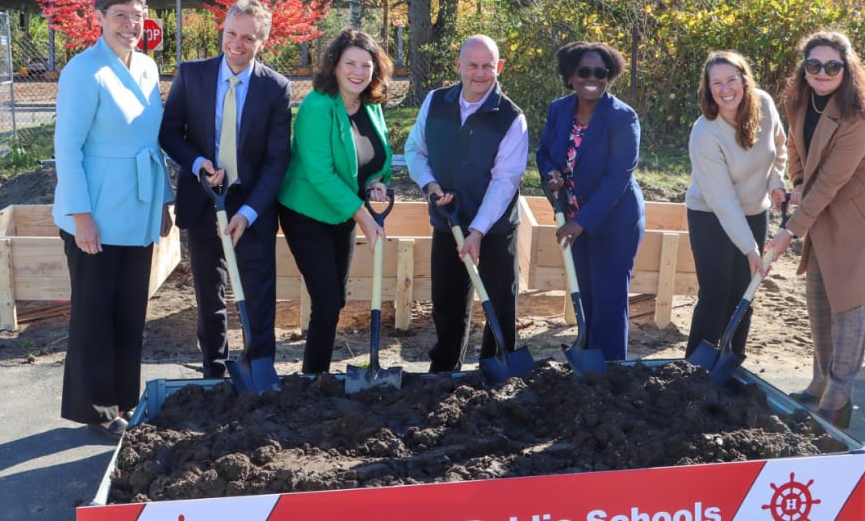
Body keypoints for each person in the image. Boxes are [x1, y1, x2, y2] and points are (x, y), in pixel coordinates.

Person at [53, 0, 174, 440]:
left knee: (129, 311)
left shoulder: (146, 67)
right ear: (99, 18)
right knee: (95, 315)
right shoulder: (84, 71)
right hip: (97, 215)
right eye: (120, 15)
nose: (130, 24)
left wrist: (163, 200)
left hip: (139, 208)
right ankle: (96, 411)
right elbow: (68, 147)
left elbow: (153, 142)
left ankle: (124, 400)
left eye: (137, 15)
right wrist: (81, 214)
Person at [766, 30, 865, 429]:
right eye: (814, 65)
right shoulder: (800, 101)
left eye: (832, 66)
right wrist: (799, 179)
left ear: (847, 70)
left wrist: (789, 230)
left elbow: (831, 184)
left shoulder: (858, 118)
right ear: (804, 69)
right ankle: (819, 383)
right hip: (824, 208)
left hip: (862, 215)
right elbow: (796, 150)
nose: (822, 72)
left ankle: (837, 403)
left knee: (849, 305)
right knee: (819, 297)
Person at [160, 0, 292, 379]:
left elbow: (276, 160)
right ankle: (214, 369)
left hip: (252, 205)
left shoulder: (276, 88)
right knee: (208, 290)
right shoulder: (192, 74)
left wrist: (248, 214)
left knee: (258, 289)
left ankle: (258, 365)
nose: (237, 43)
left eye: (248, 38)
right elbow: (171, 133)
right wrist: (199, 164)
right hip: (204, 199)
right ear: (224, 31)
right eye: (231, 33)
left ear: (262, 42)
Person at [404, 34, 529, 373]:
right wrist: (430, 186)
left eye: (488, 65)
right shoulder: (435, 102)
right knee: (447, 303)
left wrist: (477, 231)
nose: (480, 73)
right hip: (447, 219)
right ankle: (445, 370)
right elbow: (415, 150)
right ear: (458, 65)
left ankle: (497, 369)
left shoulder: (510, 118)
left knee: (500, 303)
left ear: (499, 67)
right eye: (472, 65)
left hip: (495, 227)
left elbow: (505, 182)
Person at [276, 28, 394, 374]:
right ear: (335, 66)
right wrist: (364, 217)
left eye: (366, 65)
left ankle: (318, 374)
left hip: (343, 212)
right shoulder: (317, 105)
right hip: (308, 213)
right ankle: (314, 378)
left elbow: (378, 159)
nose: (358, 72)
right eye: (350, 64)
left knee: (336, 299)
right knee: (326, 300)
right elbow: (320, 173)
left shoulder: (371, 105)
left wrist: (375, 182)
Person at [536, 41, 645, 361]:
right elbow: (544, 154)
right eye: (584, 72)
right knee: (586, 300)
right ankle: (588, 368)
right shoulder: (559, 110)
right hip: (574, 219)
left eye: (601, 72)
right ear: (570, 76)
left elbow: (617, 178)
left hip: (615, 223)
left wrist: (581, 222)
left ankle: (611, 373)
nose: (592, 78)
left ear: (610, 78)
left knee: (610, 304)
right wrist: (551, 173)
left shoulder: (623, 118)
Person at [684, 51, 787, 360]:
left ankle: (731, 363)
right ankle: (695, 369)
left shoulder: (764, 105)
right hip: (710, 216)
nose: (725, 89)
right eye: (717, 83)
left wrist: (775, 183)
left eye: (732, 80)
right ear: (708, 88)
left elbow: (779, 148)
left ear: (744, 80)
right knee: (715, 294)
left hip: (755, 211)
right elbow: (724, 201)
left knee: (744, 293)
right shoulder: (705, 132)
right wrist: (751, 249)